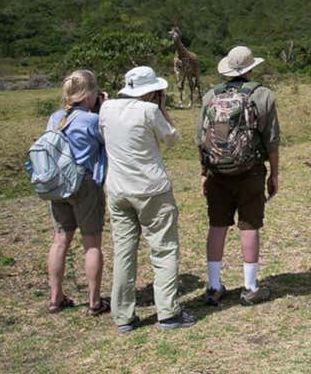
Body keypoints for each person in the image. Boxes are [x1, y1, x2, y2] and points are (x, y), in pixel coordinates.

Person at [99, 66, 195, 333]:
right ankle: (168, 313)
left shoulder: (106, 109)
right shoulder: (149, 111)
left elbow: (104, 135)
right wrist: (163, 108)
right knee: (163, 249)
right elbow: (172, 139)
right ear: (152, 91)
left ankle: (124, 316)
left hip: (118, 190)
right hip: (152, 189)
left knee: (123, 252)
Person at [196, 46, 280, 306]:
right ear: (250, 68)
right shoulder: (263, 95)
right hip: (251, 171)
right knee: (249, 225)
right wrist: (274, 175)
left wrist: (204, 172)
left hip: (217, 172)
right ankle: (250, 286)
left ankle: (213, 285)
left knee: (217, 225)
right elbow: (272, 141)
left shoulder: (210, 94)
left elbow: (200, 138)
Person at [44, 70, 110, 316]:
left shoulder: (54, 118)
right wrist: (102, 110)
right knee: (91, 243)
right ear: (90, 93)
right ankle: (94, 301)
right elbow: (105, 143)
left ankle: (55, 297)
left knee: (60, 240)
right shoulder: (92, 121)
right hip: (84, 183)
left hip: (58, 184)